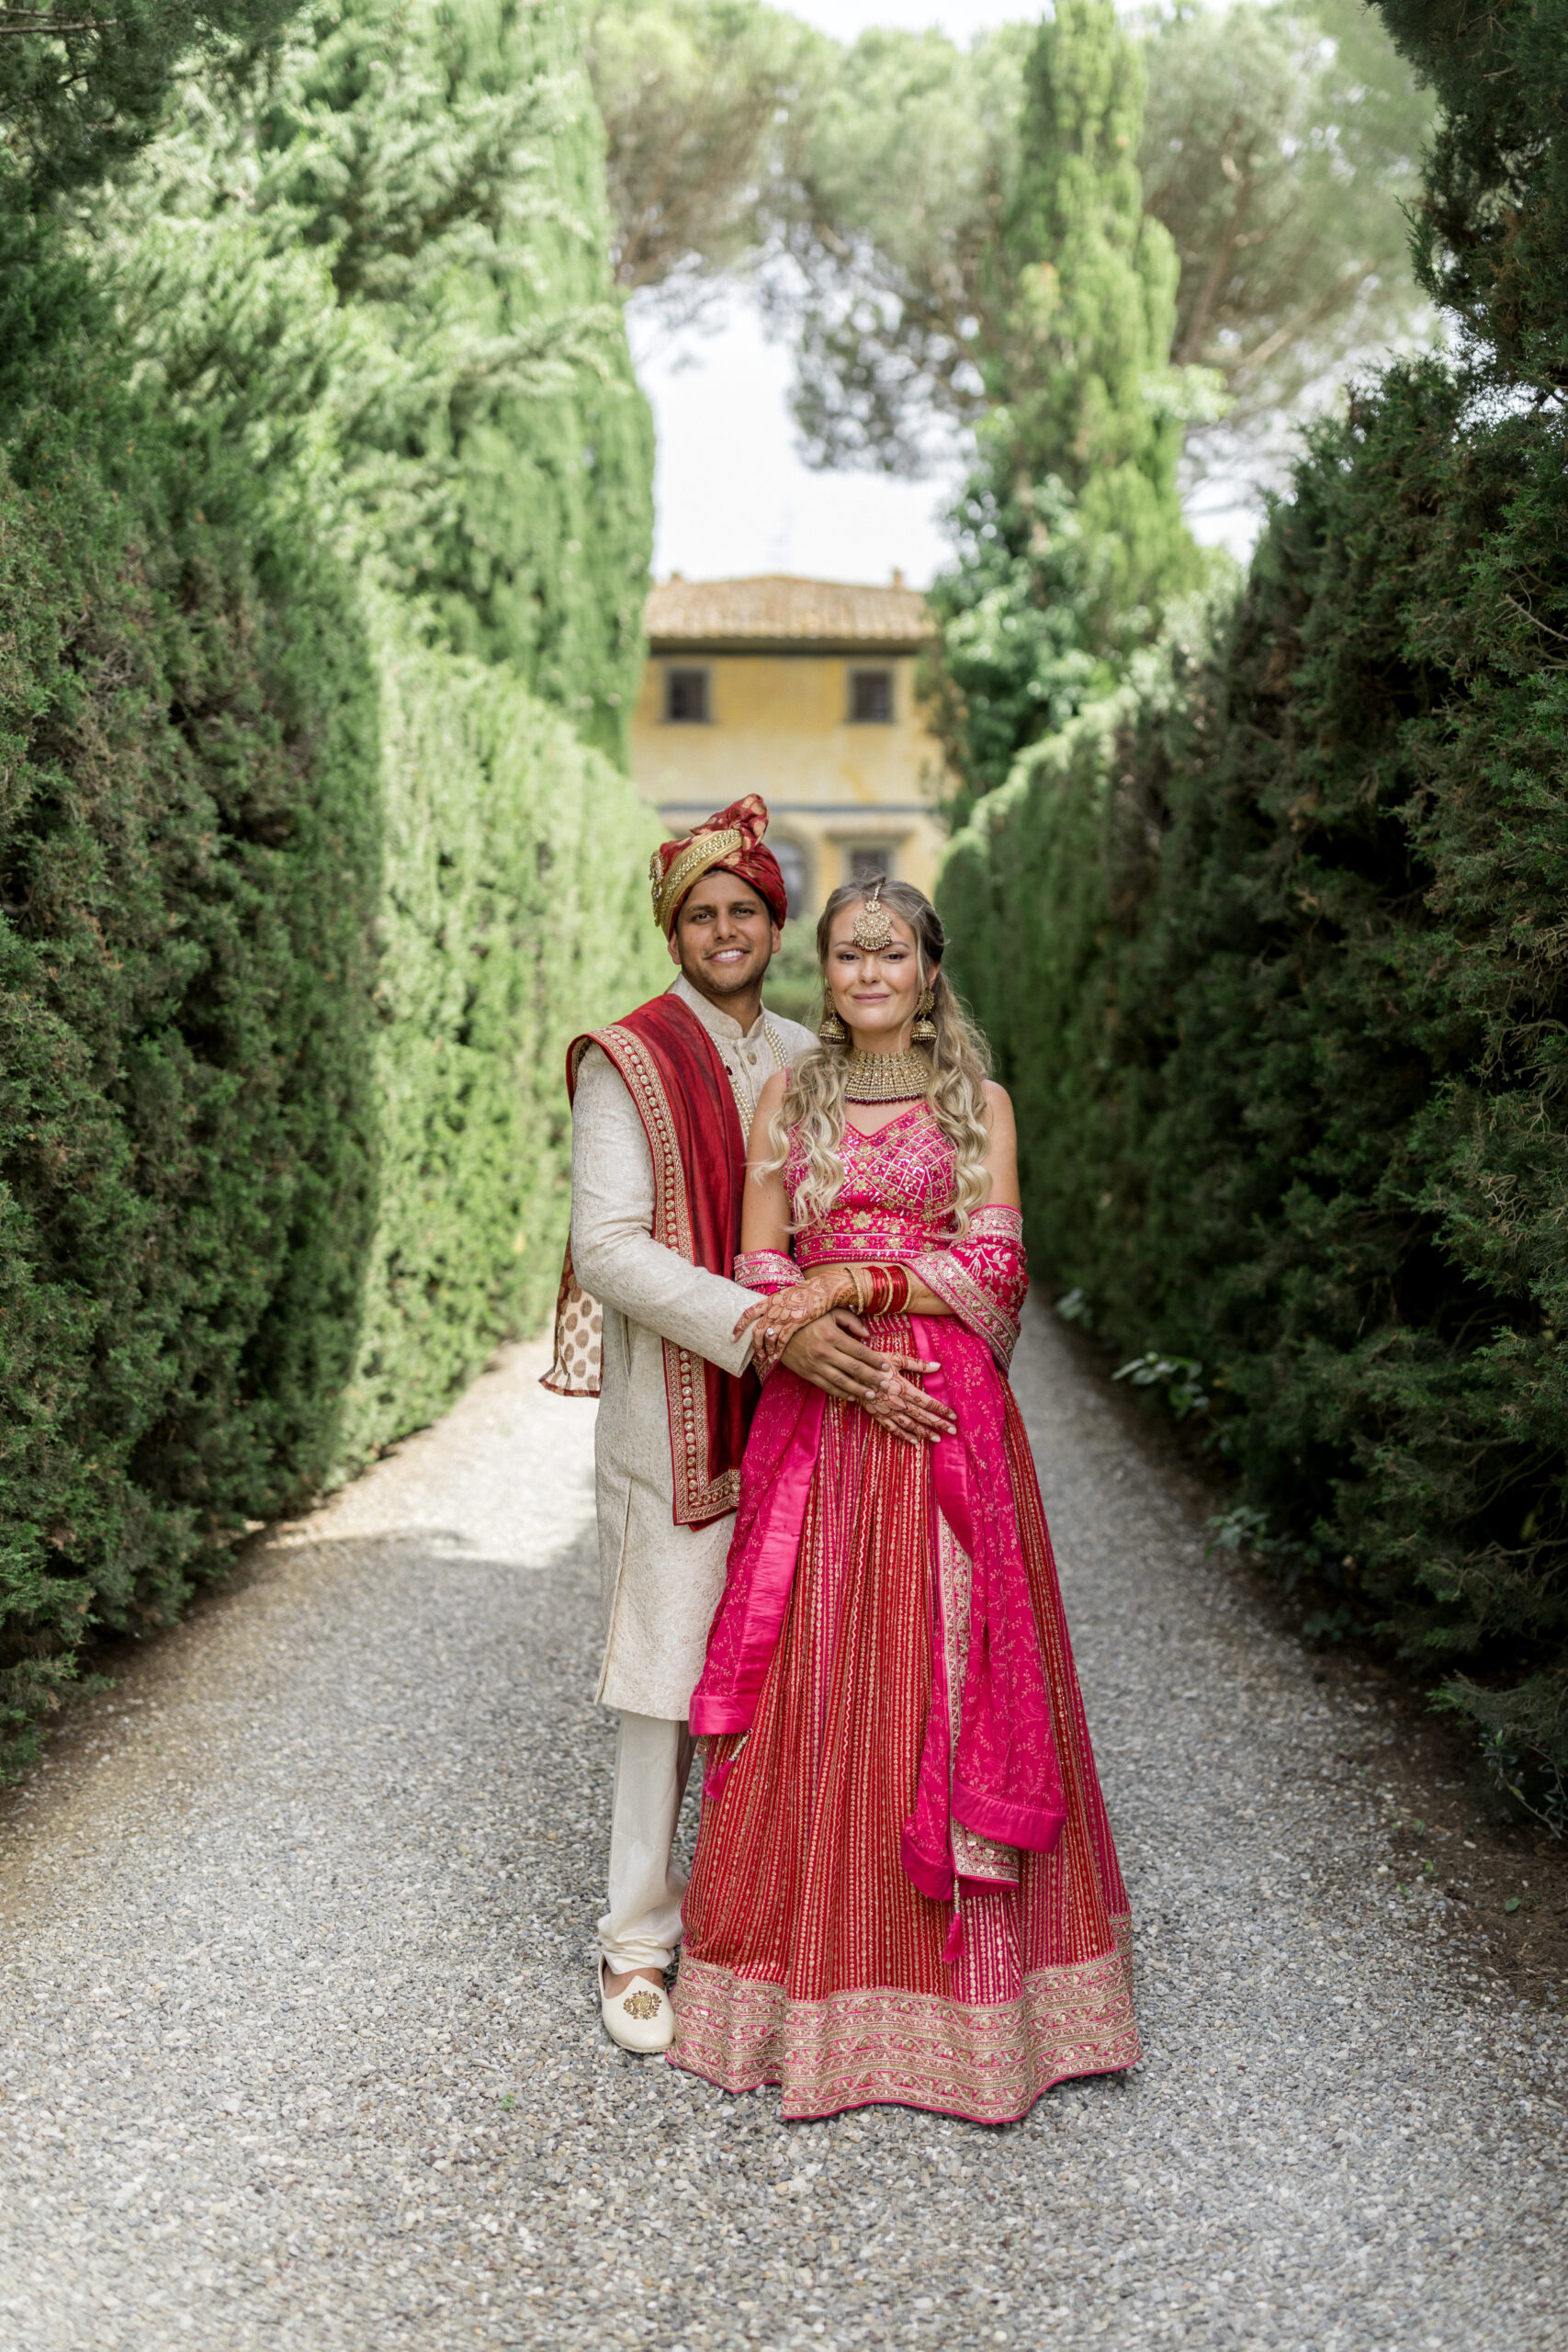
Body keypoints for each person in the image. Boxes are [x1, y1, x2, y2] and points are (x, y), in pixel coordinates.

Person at [669, 877, 1141, 2122]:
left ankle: (985, 2024)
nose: (870, 969)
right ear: (823, 975)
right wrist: (819, 1333)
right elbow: (760, 1261)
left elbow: (997, 1262)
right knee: (819, 1682)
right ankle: (796, 1994)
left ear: (931, 972)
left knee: (952, 1675)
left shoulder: (977, 1103)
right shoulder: (792, 1096)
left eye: (893, 951)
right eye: (846, 953)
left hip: (947, 1418)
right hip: (827, 1419)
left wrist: (855, 1292)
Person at [543, 800, 950, 2055]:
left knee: (792, 1666)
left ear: (778, 926)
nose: (725, 929)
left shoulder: (806, 1054)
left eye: (747, 911)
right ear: (675, 930)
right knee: (663, 1678)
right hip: (679, 1411)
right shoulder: (628, 1057)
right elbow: (605, 1251)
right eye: (700, 912)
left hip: (809, 1419)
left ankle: (762, 1921)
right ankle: (636, 1942)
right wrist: (769, 1328)